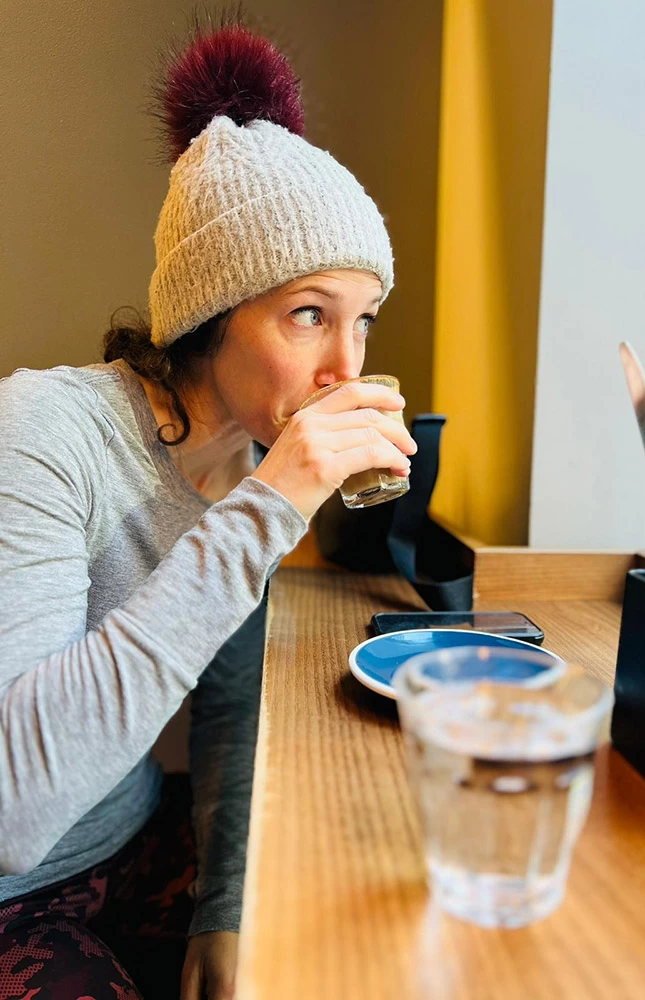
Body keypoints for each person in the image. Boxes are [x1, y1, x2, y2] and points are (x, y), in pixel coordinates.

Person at [0, 19, 416, 1000]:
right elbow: (15, 803)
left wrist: (223, 907)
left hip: (135, 838)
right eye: (308, 314)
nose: (344, 369)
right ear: (208, 313)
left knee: (359, 923)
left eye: (363, 321)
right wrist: (271, 508)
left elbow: (230, 700)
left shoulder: (256, 458)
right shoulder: (42, 435)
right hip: (17, 885)